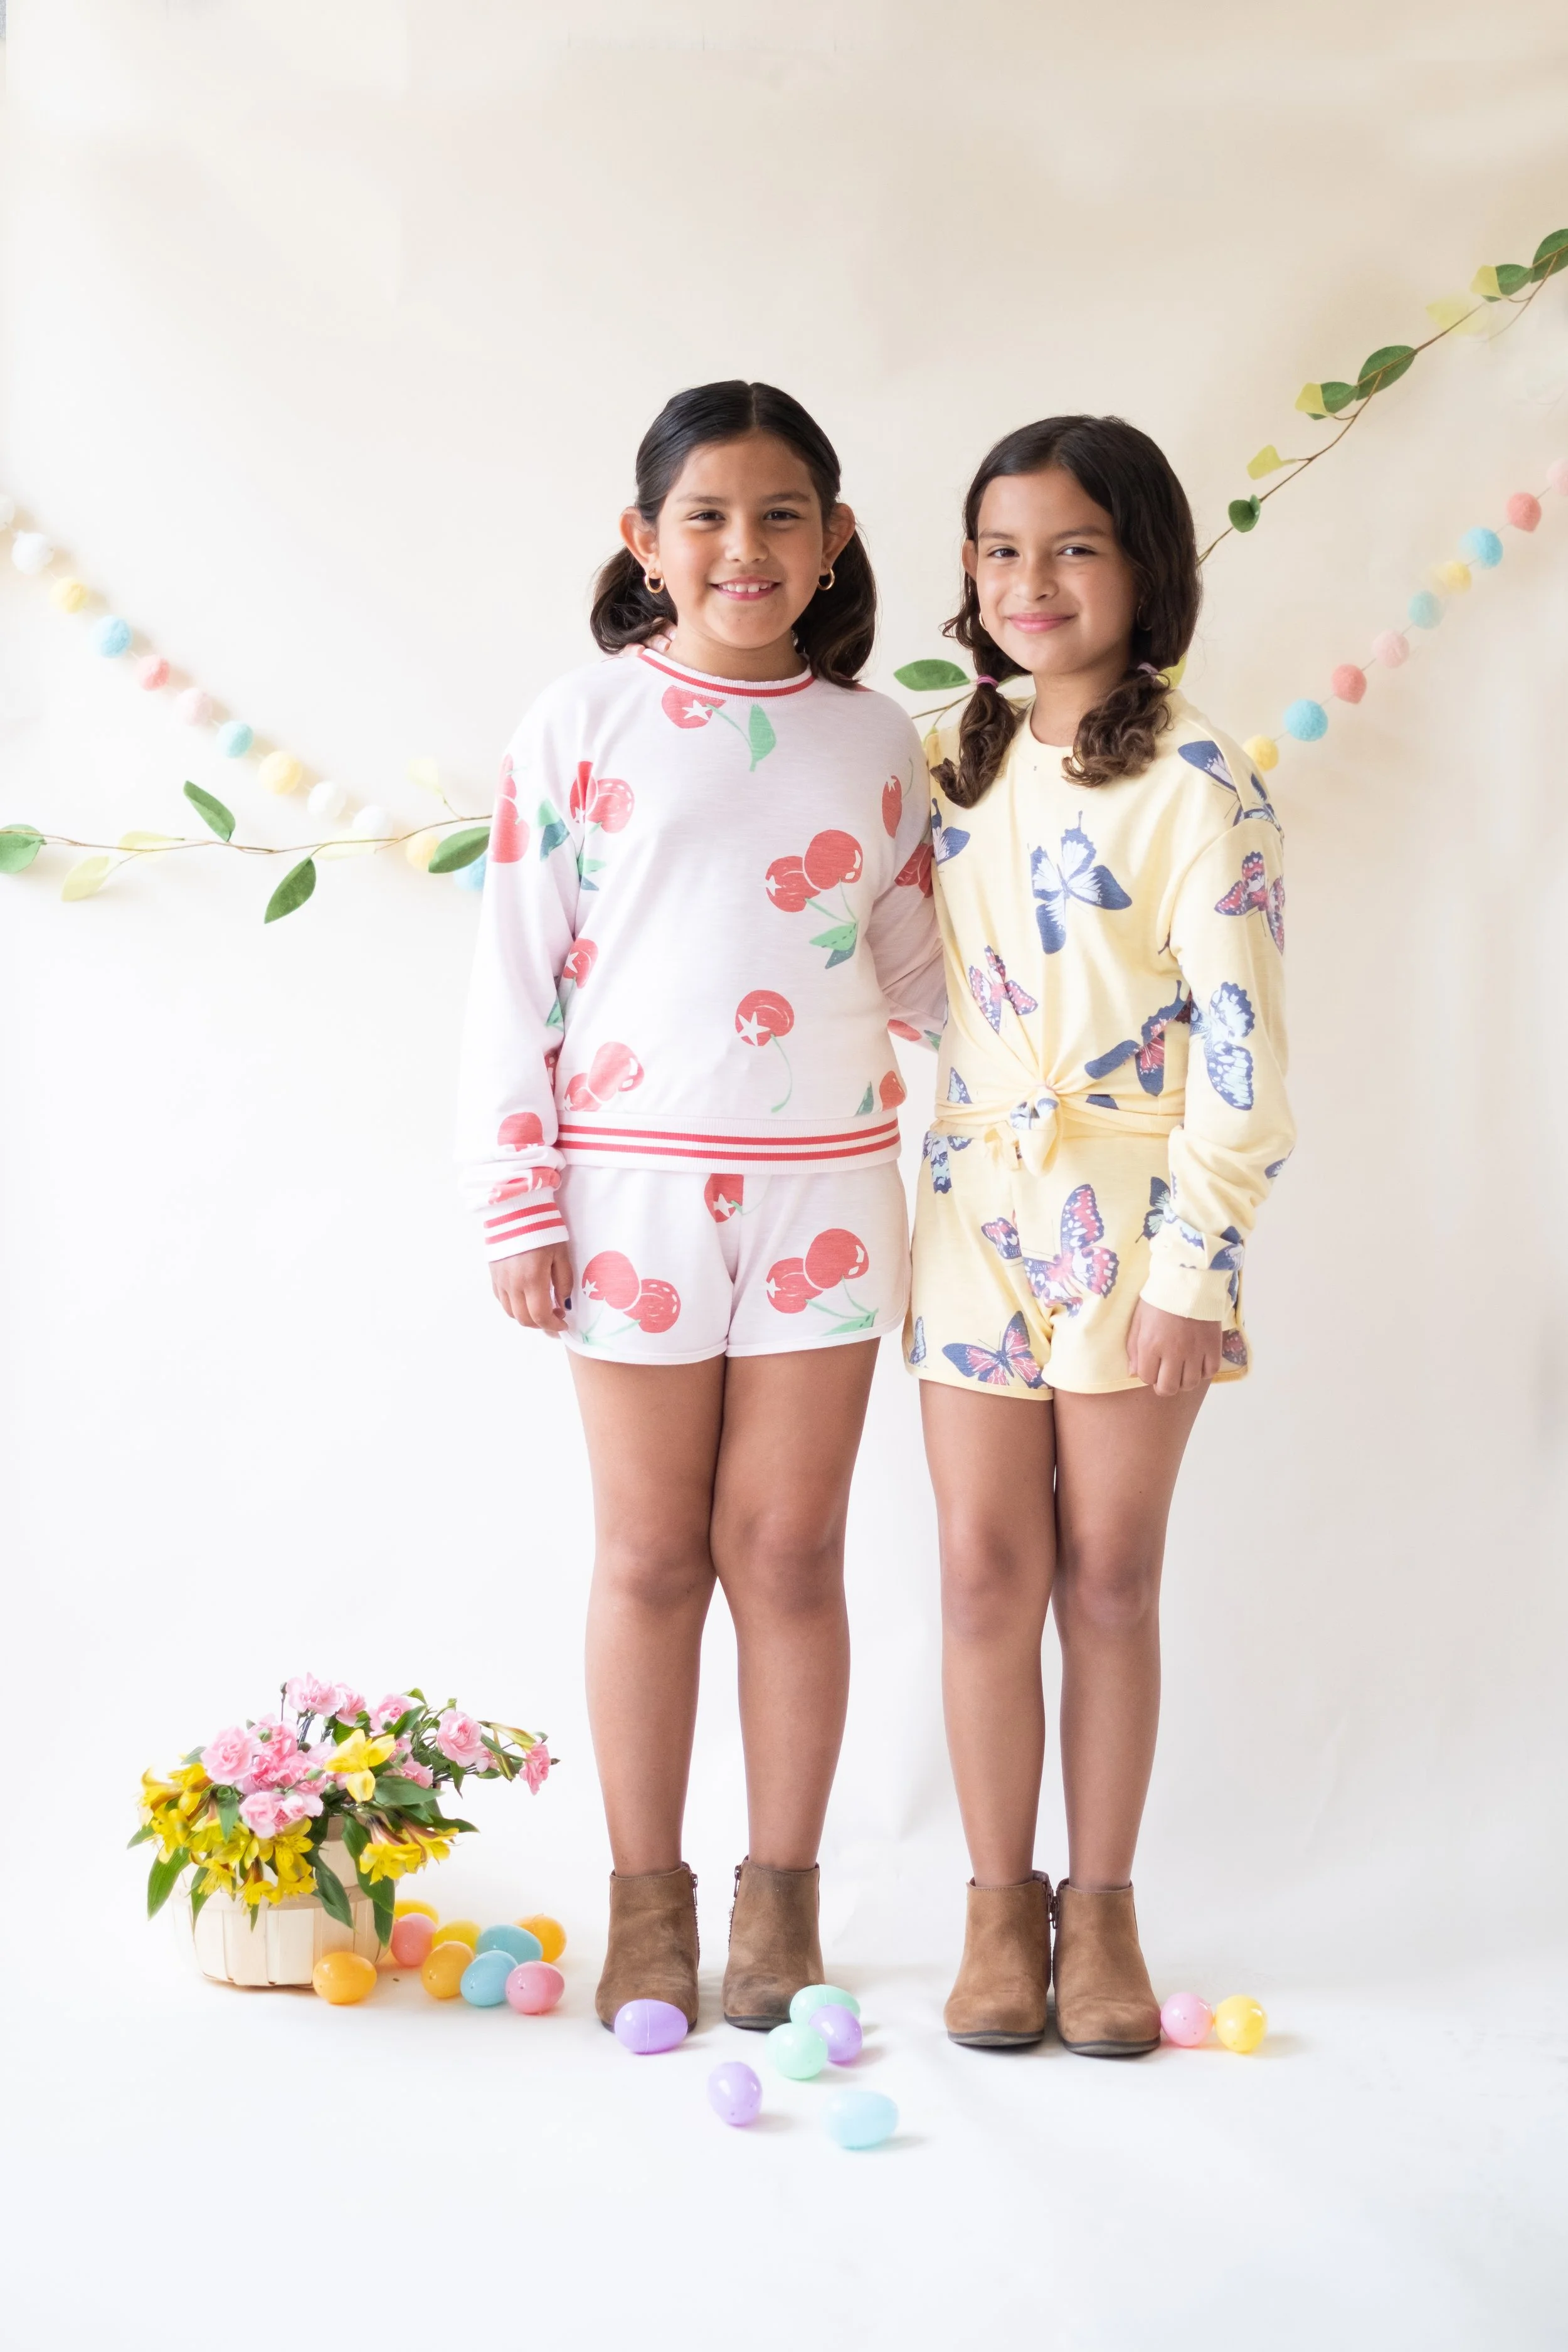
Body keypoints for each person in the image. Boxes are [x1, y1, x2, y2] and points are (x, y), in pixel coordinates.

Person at [457, 379, 943, 2034]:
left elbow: (921, 970)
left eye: (781, 513)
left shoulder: (876, 739)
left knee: (790, 1552)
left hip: (830, 1192)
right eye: (708, 516)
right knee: (653, 1554)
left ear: (836, 536)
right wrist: (518, 1197)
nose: (746, 547)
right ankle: (646, 1900)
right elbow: (513, 970)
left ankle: (779, 1901)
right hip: (629, 1196)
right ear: (644, 540)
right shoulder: (578, 723)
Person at [908, 415, 1293, 2052]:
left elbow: (1243, 1057)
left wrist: (1196, 1270)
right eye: (1002, 551)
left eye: (1073, 547)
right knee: (982, 1569)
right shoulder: (950, 758)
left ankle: (1106, 1908)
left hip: (1137, 1224)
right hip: (970, 1208)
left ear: (1144, 565)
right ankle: (999, 1909)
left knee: (1111, 1576)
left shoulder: (1200, 780)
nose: (1032, 582)